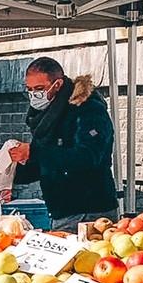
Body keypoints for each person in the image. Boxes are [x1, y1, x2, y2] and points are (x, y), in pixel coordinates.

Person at [8, 56, 119, 231]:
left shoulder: (87, 109)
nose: (34, 95)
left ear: (57, 85)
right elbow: (45, 163)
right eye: (29, 90)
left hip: (89, 210)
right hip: (60, 210)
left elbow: (88, 156)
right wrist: (11, 172)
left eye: (39, 89)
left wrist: (33, 152)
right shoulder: (47, 115)